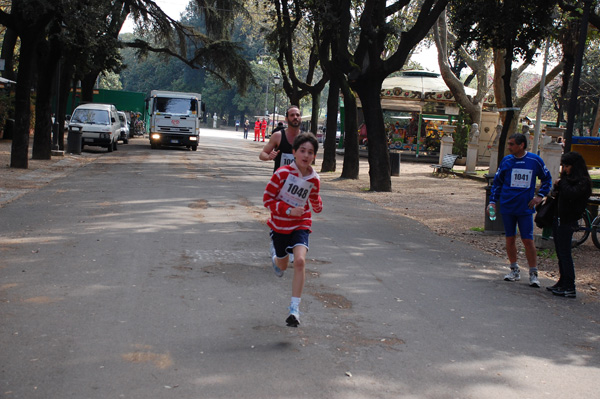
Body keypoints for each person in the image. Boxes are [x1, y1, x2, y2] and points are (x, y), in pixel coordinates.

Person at [263, 133, 323, 327]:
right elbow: (267, 200)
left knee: (299, 261)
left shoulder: (314, 179)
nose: (306, 155)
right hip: (280, 225)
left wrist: (317, 203)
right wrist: (288, 209)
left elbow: (314, 199)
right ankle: (275, 258)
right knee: (282, 266)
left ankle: (294, 310)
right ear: (294, 152)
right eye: (302, 151)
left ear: (314, 156)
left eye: (310, 152)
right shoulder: (281, 174)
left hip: (301, 224)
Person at [488, 133, 552, 287]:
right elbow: (497, 182)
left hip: (525, 208)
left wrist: (540, 196)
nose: (509, 147)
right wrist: (492, 202)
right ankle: (514, 269)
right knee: (510, 238)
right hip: (508, 206)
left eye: (511, 144)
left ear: (521, 145)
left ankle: (533, 273)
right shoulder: (506, 160)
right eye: (508, 144)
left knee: (527, 240)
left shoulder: (534, 160)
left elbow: (547, 179)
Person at [547, 152, 592, 298]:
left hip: (569, 220)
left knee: (566, 254)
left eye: (567, 166)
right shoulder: (568, 180)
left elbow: (571, 194)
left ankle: (569, 285)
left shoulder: (583, 182)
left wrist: (563, 183)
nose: (565, 169)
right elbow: (558, 195)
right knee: (560, 252)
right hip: (559, 217)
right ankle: (562, 281)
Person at [259, 105, 303, 173]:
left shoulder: (305, 138)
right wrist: (268, 157)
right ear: (286, 118)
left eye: (297, 115)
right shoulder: (278, 136)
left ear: (300, 118)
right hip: (280, 181)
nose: (295, 117)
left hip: (299, 181)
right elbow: (262, 154)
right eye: (292, 115)